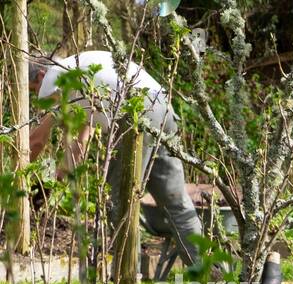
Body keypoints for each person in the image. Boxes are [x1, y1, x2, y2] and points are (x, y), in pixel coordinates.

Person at [28, 50, 204, 269]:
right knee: (176, 202)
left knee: (118, 202)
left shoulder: (56, 77)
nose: (37, 96)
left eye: (33, 90)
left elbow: (35, 141)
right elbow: (80, 144)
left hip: (136, 114)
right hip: (162, 107)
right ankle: (208, 275)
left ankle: (127, 277)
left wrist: (19, 181)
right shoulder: (82, 76)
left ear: (40, 75)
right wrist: (56, 181)